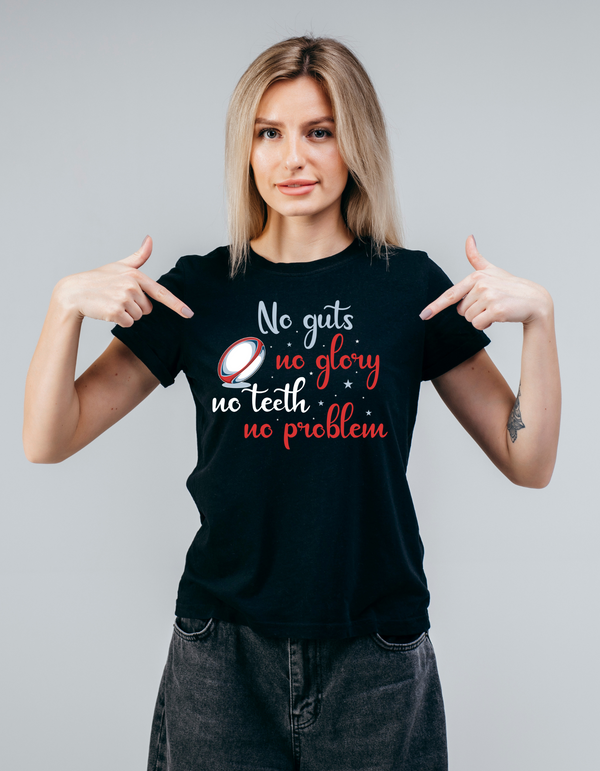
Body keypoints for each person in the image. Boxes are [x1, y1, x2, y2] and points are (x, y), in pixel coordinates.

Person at [23, 35, 560, 771]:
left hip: (376, 649)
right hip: (222, 652)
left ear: (356, 144)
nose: (292, 159)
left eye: (320, 132)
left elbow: (526, 459)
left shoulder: (409, 289)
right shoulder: (200, 292)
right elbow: (49, 437)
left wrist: (540, 321)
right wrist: (63, 310)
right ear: (246, 148)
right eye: (268, 133)